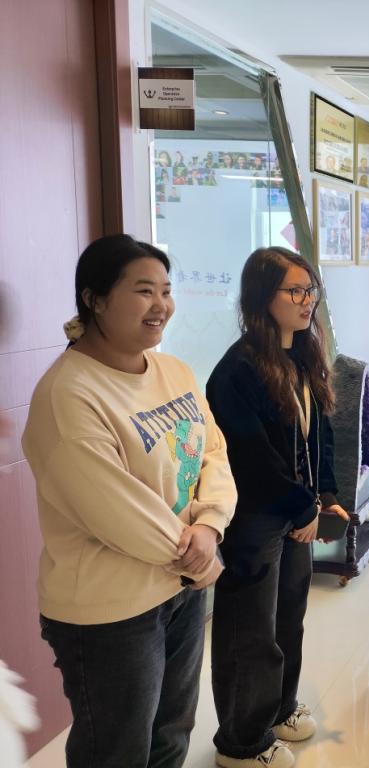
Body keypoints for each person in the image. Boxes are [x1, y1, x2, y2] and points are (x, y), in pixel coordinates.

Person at [23, 235, 235, 768]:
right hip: (112, 612)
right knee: (116, 752)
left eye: (166, 290)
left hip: (179, 590)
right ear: (94, 299)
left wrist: (210, 524)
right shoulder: (69, 394)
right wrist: (198, 557)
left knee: (171, 734)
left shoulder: (173, 371)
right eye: (143, 291)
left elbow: (212, 450)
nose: (160, 304)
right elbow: (116, 509)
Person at [207, 247, 348, 768]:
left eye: (311, 290)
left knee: (289, 617)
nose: (307, 300)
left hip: (296, 509)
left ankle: (279, 709)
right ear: (262, 296)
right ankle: (241, 742)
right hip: (256, 518)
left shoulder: (303, 355)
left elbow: (320, 434)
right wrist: (301, 507)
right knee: (251, 631)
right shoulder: (238, 369)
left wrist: (326, 496)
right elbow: (251, 457)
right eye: (295, 290)